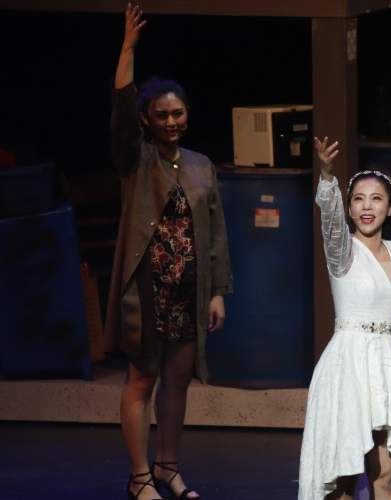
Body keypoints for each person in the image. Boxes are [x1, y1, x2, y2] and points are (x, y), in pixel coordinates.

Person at [105, 4, 233, 499]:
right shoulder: (135, 160)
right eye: (161, 115)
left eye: (178, 113)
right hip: (147, 293)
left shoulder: (201, 165)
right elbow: (121, 107)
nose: (172, 121)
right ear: (147, 119)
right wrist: (128, 48)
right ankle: (139, 478)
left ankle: (167, 468)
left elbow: (216, 232)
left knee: (178, 383)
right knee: (142, 381)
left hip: (187, 293)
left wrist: (217, 292)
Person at [298, 137, 391, 500]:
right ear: (350, 207)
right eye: (358, 199)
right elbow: (330, 223)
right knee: (344, 477)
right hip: (348, 367)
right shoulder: (343, 252)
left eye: (376, 199)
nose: (367, 206)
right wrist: (327, 175)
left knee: (384, 473)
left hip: (385, 368)